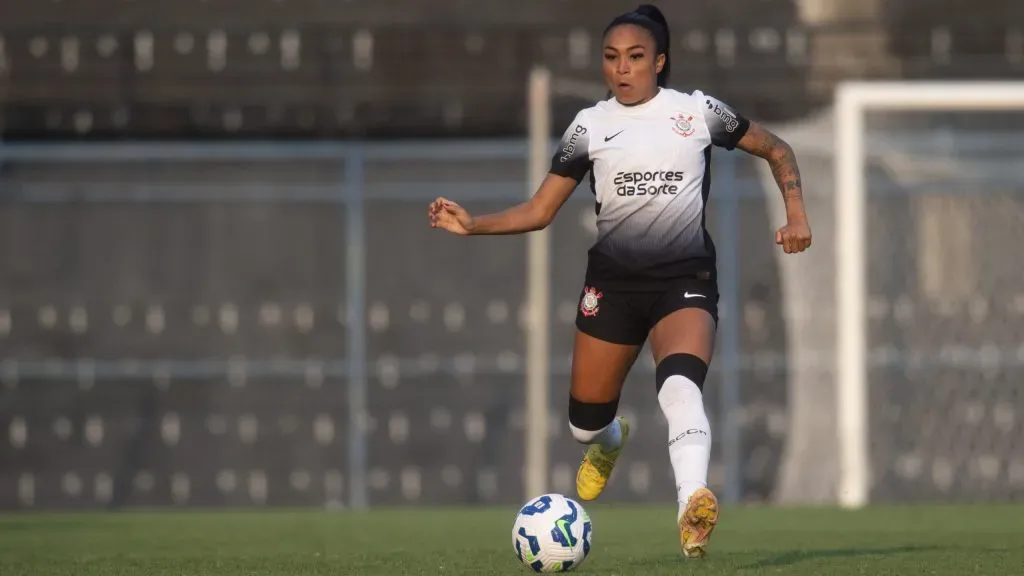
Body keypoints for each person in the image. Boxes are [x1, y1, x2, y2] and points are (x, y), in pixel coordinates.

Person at [428, 3, 811, 559]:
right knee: (585, 425)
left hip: (685, 279)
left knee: (679, 387)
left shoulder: (698, 112)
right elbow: (540, 210)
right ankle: (609, 441)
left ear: (660, 61)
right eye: (611, 58)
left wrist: (796, 214)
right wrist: (474, 225)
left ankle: (691, 504)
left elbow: (778, 149)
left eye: (635, 57)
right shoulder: (590, 125)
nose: (622, 69)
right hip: (612, 289)